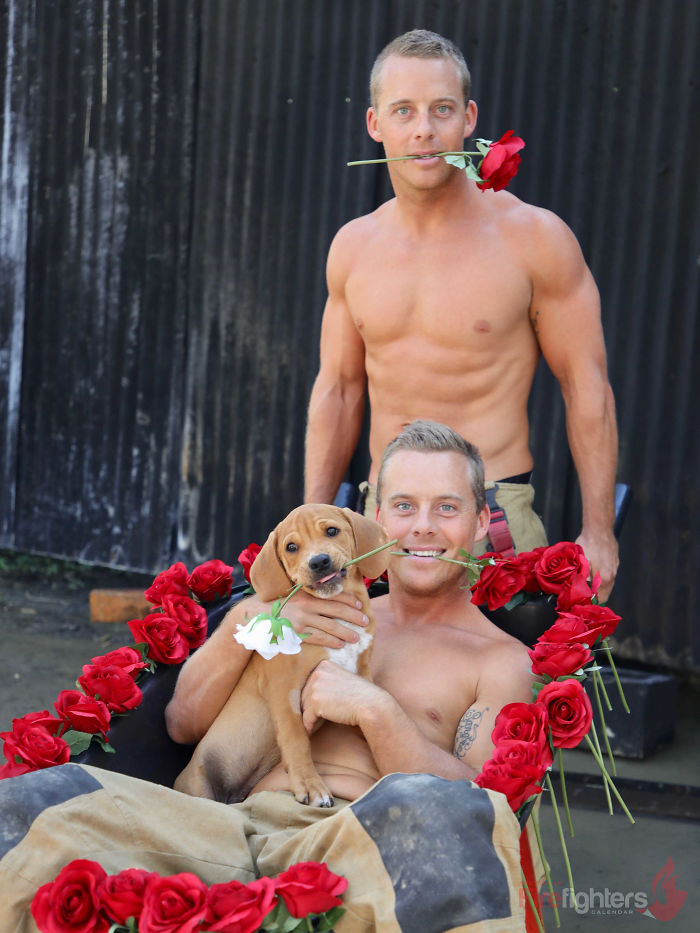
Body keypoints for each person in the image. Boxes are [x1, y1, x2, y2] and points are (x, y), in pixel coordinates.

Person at [0, 422, 540, 932]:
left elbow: (481, 807)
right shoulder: (300, 605)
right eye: (404, 506)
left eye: (446, 507)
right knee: (36, 801)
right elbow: (182, 723)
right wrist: (251, 618)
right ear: (374, 520)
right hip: (221, 827)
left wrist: (376, 711)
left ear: (480, 522)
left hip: (351, 841)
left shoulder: (500, 660)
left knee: (451, 819)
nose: (422, 525)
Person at [304, 29, 619, 602]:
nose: (423, 129)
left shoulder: (533, 238)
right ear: (375, 124)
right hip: (383, 518)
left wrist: (599, 533)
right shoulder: (354, 247)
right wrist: (312, 523)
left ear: (469, 118)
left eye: (442, 109)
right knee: (364, 664)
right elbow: (339, 391)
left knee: (503, 665)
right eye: (404, 110)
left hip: (491, 516)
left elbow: (586, 384)